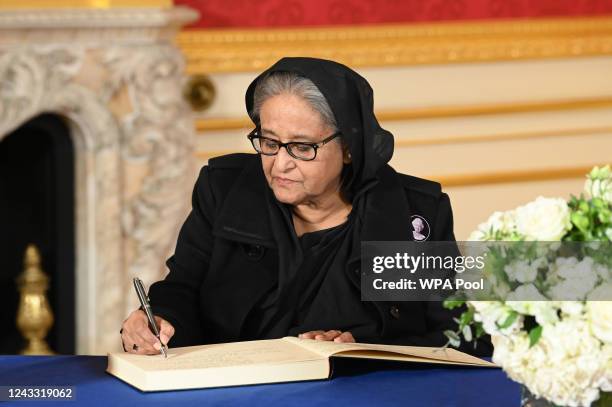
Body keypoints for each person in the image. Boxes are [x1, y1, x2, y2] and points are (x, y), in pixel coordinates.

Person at [120, 57, 492, 356]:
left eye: (302, 147)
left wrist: (363, 351)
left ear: (348, 147)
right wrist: (158, 319)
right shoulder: (227, 190)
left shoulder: (410, 214)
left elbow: (455, 335)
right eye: (268, 141)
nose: (279, 164)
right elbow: (183, 288)